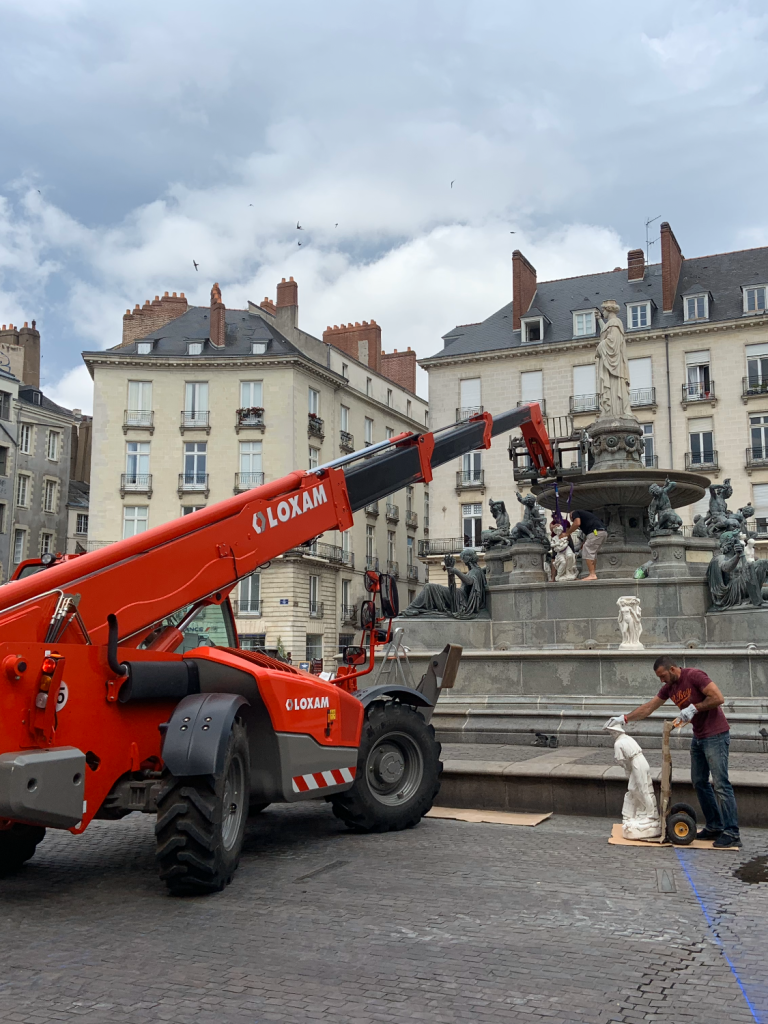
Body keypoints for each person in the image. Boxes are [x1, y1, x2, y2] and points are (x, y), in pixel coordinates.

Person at [605, 655, 740, 848]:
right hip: (699, 736)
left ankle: (732, 832)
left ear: (673, 669)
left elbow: (718, 698)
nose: (661, 680)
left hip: (716, 735)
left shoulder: (694, 676)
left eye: (662, 675)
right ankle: (715, 826)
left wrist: (695, 708)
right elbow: (649, 707)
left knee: (720, 784)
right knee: (699, 781)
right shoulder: (670, 688)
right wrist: (624, 719)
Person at [564, 509, 607, 581]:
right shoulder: (587, 516)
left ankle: (592, 574)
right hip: (602, 532)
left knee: (587, 550)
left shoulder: (575, 513)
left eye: (572, 520)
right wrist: (584, 541)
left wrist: (567, 533)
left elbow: (577, 523)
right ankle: (593, 573)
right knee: (592, 552)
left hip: (595, 532)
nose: (572, 521)